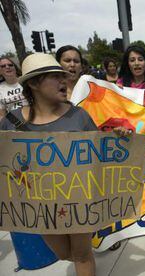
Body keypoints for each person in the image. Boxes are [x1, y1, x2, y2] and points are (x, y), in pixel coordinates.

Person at [0, 53, 131, 276]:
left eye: (63, 76)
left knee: (81, 255)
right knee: (63, 254)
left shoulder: (78, 116)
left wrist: (118, 139)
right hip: (39, 204)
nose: (63, 80)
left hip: (78, 200)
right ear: (33, 83)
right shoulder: (11, 121)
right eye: (54, 76)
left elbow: (98, 153)